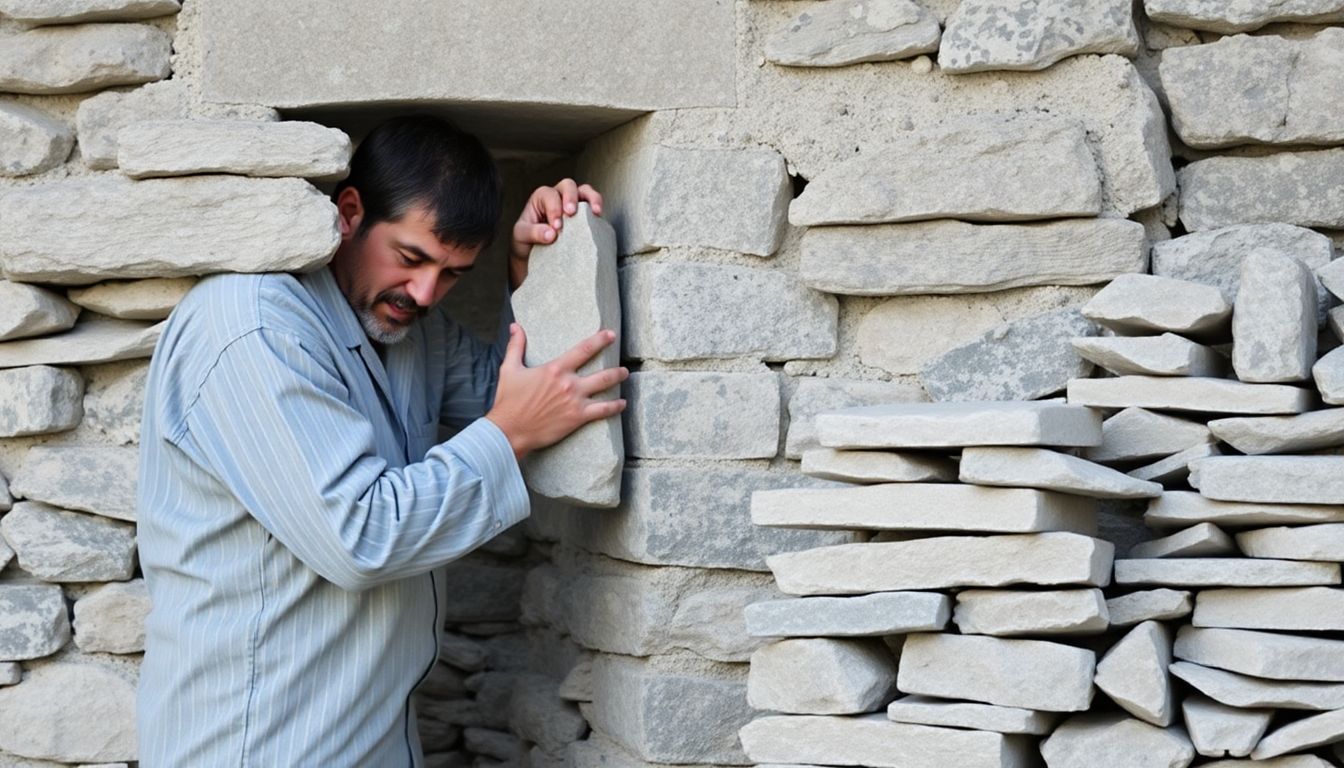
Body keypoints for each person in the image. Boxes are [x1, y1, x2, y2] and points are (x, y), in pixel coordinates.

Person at [134, 114, 626, 766]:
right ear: (349, 212)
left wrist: (530, 270)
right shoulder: (252, 328)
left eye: (453, 273)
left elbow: (522, 397)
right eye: (411, 257)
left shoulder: (412, 330)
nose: (424, 293)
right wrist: (506, 436)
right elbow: (359, 537)